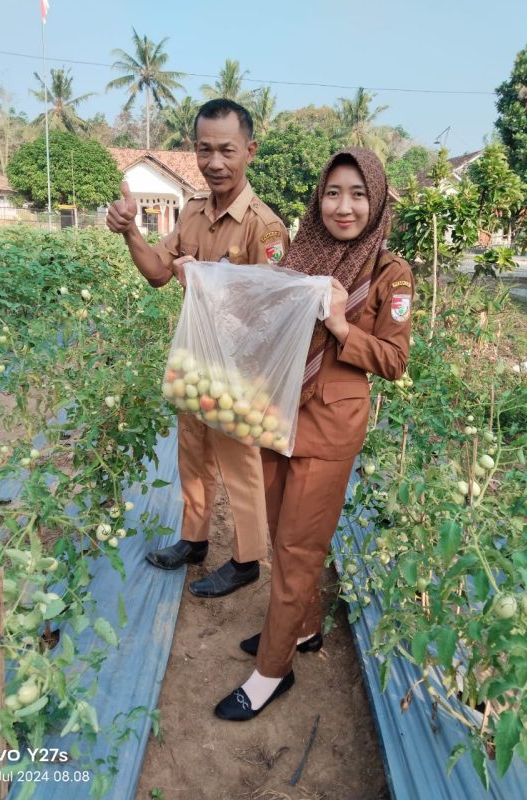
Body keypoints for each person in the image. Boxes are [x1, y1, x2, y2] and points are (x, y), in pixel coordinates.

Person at [213, 147, 414, 720]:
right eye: (332, 193)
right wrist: (215, 283)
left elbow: (395, 360)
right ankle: (301, 630)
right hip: (280, 414)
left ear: (375, 201)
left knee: (300, 549)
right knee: (282, 534)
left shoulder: (389, 271)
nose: (343, 206)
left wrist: (339, 322)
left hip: (329, 427)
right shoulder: (302, 254)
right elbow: (264, 316)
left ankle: (272, 671)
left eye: (357, 194)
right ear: (318, 198)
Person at [106, 99, 289, 598]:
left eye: (227, 150)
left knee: (239, 462)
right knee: (193, 454)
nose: (215, 162)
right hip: (195, 359)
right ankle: (194, 539)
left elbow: (269, 309)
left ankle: (249, 558)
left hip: (239, 368)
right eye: (205, 149)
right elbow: (157, 274)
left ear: (249, 151)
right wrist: (130, 233)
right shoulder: (190, 213)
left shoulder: (264, 226)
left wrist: (206, 281)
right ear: (195, 151)